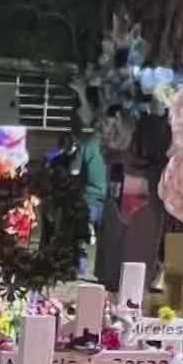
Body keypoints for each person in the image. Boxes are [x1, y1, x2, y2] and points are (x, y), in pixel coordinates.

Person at [76, 114, 107, 280]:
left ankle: (82, 267)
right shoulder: (112, 146)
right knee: (104, 236)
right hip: (107, 197)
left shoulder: (86, 145)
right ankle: (102, 271)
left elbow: (76, 170)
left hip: (88, 195)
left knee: (81, 233)